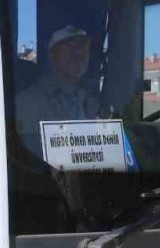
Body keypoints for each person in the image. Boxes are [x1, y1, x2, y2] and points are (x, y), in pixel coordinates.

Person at [14, 25, 101, 157]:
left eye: (84, 46)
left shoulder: (91, 102)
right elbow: (28, 159)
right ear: (52, 56)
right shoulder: (27, 102)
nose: (80, 52)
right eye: (71, 46)